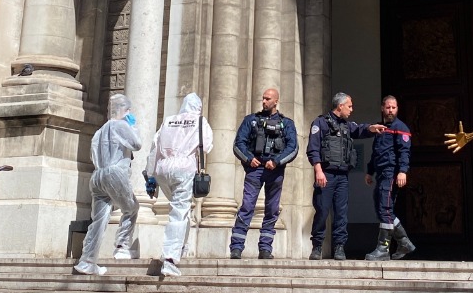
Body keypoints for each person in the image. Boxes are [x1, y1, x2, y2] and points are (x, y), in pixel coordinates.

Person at [306, 93, 384, 260]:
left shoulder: (347, 126)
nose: (351, 109)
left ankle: (339, 247)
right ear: (340, 106)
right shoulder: (320, 123)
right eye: (349, 106)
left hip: (342, 177)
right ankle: (317, 246)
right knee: (322, 211)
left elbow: (360, 129)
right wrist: (318, 171)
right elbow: (313, 149)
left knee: (341, 213)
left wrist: (372, 128)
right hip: (326, 174)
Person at [145, 93, 213, 277]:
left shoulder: (168, 121)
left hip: (163, 169)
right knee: (179, 212)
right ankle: (170, 259)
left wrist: (150, 175)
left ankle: (181, 246)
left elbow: (154, 148)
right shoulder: (200, 122)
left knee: (181, 210)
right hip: (184, 168)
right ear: (198, 108)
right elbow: (207, 146)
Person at [74, 94, 141, 275]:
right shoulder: (121, 125)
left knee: (99, 219)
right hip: (114, 173)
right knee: (132, 207)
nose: (129, 113)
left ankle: (87, 261)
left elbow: (93, 155)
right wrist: (132, 126)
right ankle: (122, 247)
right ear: (123, 110)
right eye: (128, 110)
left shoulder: (99, 132)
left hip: (98, 175)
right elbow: (137, 144)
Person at [229, 88, 299, 259]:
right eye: (263, 98)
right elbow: (238, 144)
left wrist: (276, 161)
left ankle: (265, 248)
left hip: (275, 171)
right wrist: (249, 159)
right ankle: (236, 248)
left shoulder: (287, 123)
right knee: (247, 206)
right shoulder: (251, 120)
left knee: (272, 209)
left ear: (276, 101)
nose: (264, 101)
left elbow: (293, 147)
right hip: (255, 169)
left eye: (268, 99)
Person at [364, 95, 416, 261]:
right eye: (388, 107)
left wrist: (403, 171)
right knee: (381, 208)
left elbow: (404, 152)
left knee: (385, 208)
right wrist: (370, 171)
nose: (391, 110)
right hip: (380, 173)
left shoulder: (401, 127)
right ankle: (404, 243)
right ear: (382, 108)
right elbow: (376, 152)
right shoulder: (380, 128)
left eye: (393, 107)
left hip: (391, 173)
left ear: (397, 109)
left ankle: (383, 249)